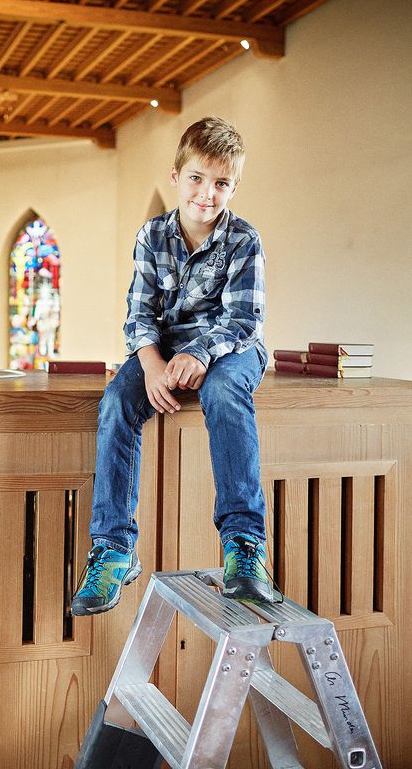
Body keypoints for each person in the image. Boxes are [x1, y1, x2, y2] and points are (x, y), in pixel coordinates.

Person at [71, 116, 271, 616]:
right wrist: (156, 366)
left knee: (224, 394)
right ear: (176, 176)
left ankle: (244, 547)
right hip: (163, 348)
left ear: (234, 187)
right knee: (117, 400)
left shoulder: (245, 240)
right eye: (198, 178)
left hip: (230, 347)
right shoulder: (152, 236)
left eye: (222, 183)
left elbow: (243, 319)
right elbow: (139, 315)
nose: (207, 193)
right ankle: (114, 548)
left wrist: (199, 354)